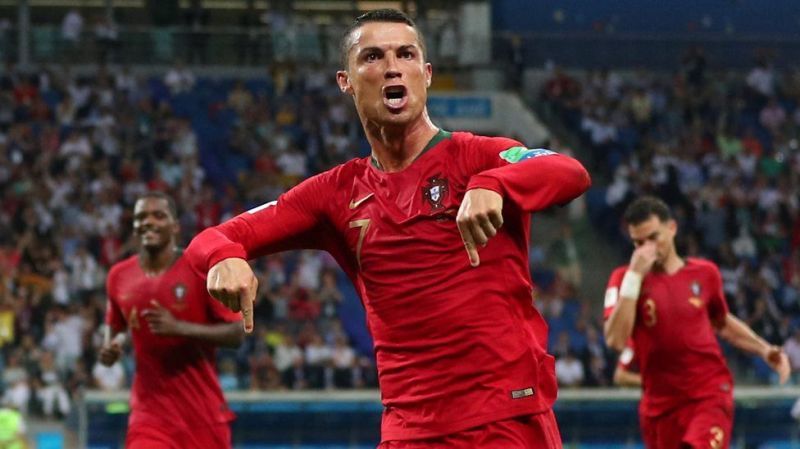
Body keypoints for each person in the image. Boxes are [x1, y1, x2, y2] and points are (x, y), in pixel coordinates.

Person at [186, 8, 590, 448]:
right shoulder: (334, 194)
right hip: (408, 431)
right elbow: (214, 238)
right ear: (346, 80)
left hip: (505, 420)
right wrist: (222, 257)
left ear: (426, 73)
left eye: (406, 54)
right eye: (374, 57)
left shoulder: (477, 156)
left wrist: (493, 182)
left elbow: (568, 172)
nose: (393, 67)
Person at [603, 196, 790, 449]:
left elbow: (722, 322)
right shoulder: (624, 279)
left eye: (653, 238)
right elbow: (615, 339)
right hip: (660, 407)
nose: (647, 249)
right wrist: (635, 276)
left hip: (708, 394)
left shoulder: (705, 274)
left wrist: (764, 349)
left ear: (672, 228)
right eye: (639, 243)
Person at [99, 192, 244, 449]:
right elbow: (116, 325)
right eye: (141, 217)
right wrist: (112, 346)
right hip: (149, 417)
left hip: (203, 416)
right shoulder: (119, 276)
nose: (148, 222)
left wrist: (179, 328)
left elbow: (237, 333)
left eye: (158, 215)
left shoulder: (200, 270)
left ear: (175, 225)